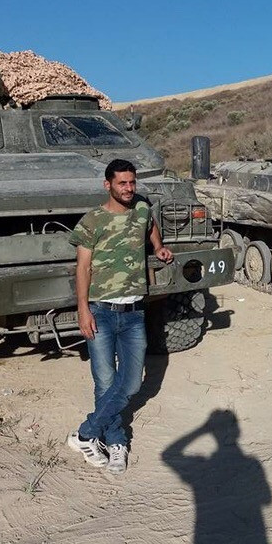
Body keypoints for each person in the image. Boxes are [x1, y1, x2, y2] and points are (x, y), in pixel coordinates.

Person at [66, 158, 173, 473]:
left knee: (131, 384)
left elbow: (150, 225)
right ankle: (115, 441)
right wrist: (83, 309)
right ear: (108, 184)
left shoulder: (141, 208)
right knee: (105, 381)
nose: (128, 188)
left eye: (132, 182)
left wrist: (158, 247)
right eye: (122, 183)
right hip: (101, 311)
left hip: (134, 313)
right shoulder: (92, 221)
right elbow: (83, 268)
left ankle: (85, 434)